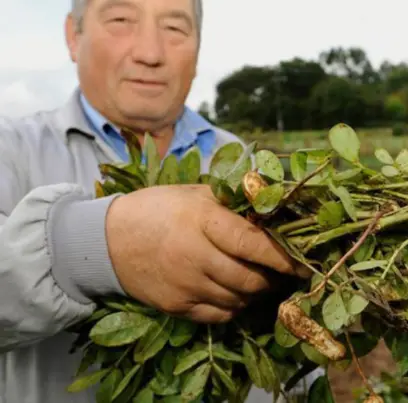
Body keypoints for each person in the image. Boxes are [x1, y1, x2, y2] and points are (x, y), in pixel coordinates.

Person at [0, 1, 319, 402]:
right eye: (121, 20)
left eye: (175, 27)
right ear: (73, 35)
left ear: (198, 49)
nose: (150, 53)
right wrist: (99, 246)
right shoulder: (11, 147)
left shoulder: (245, 162)